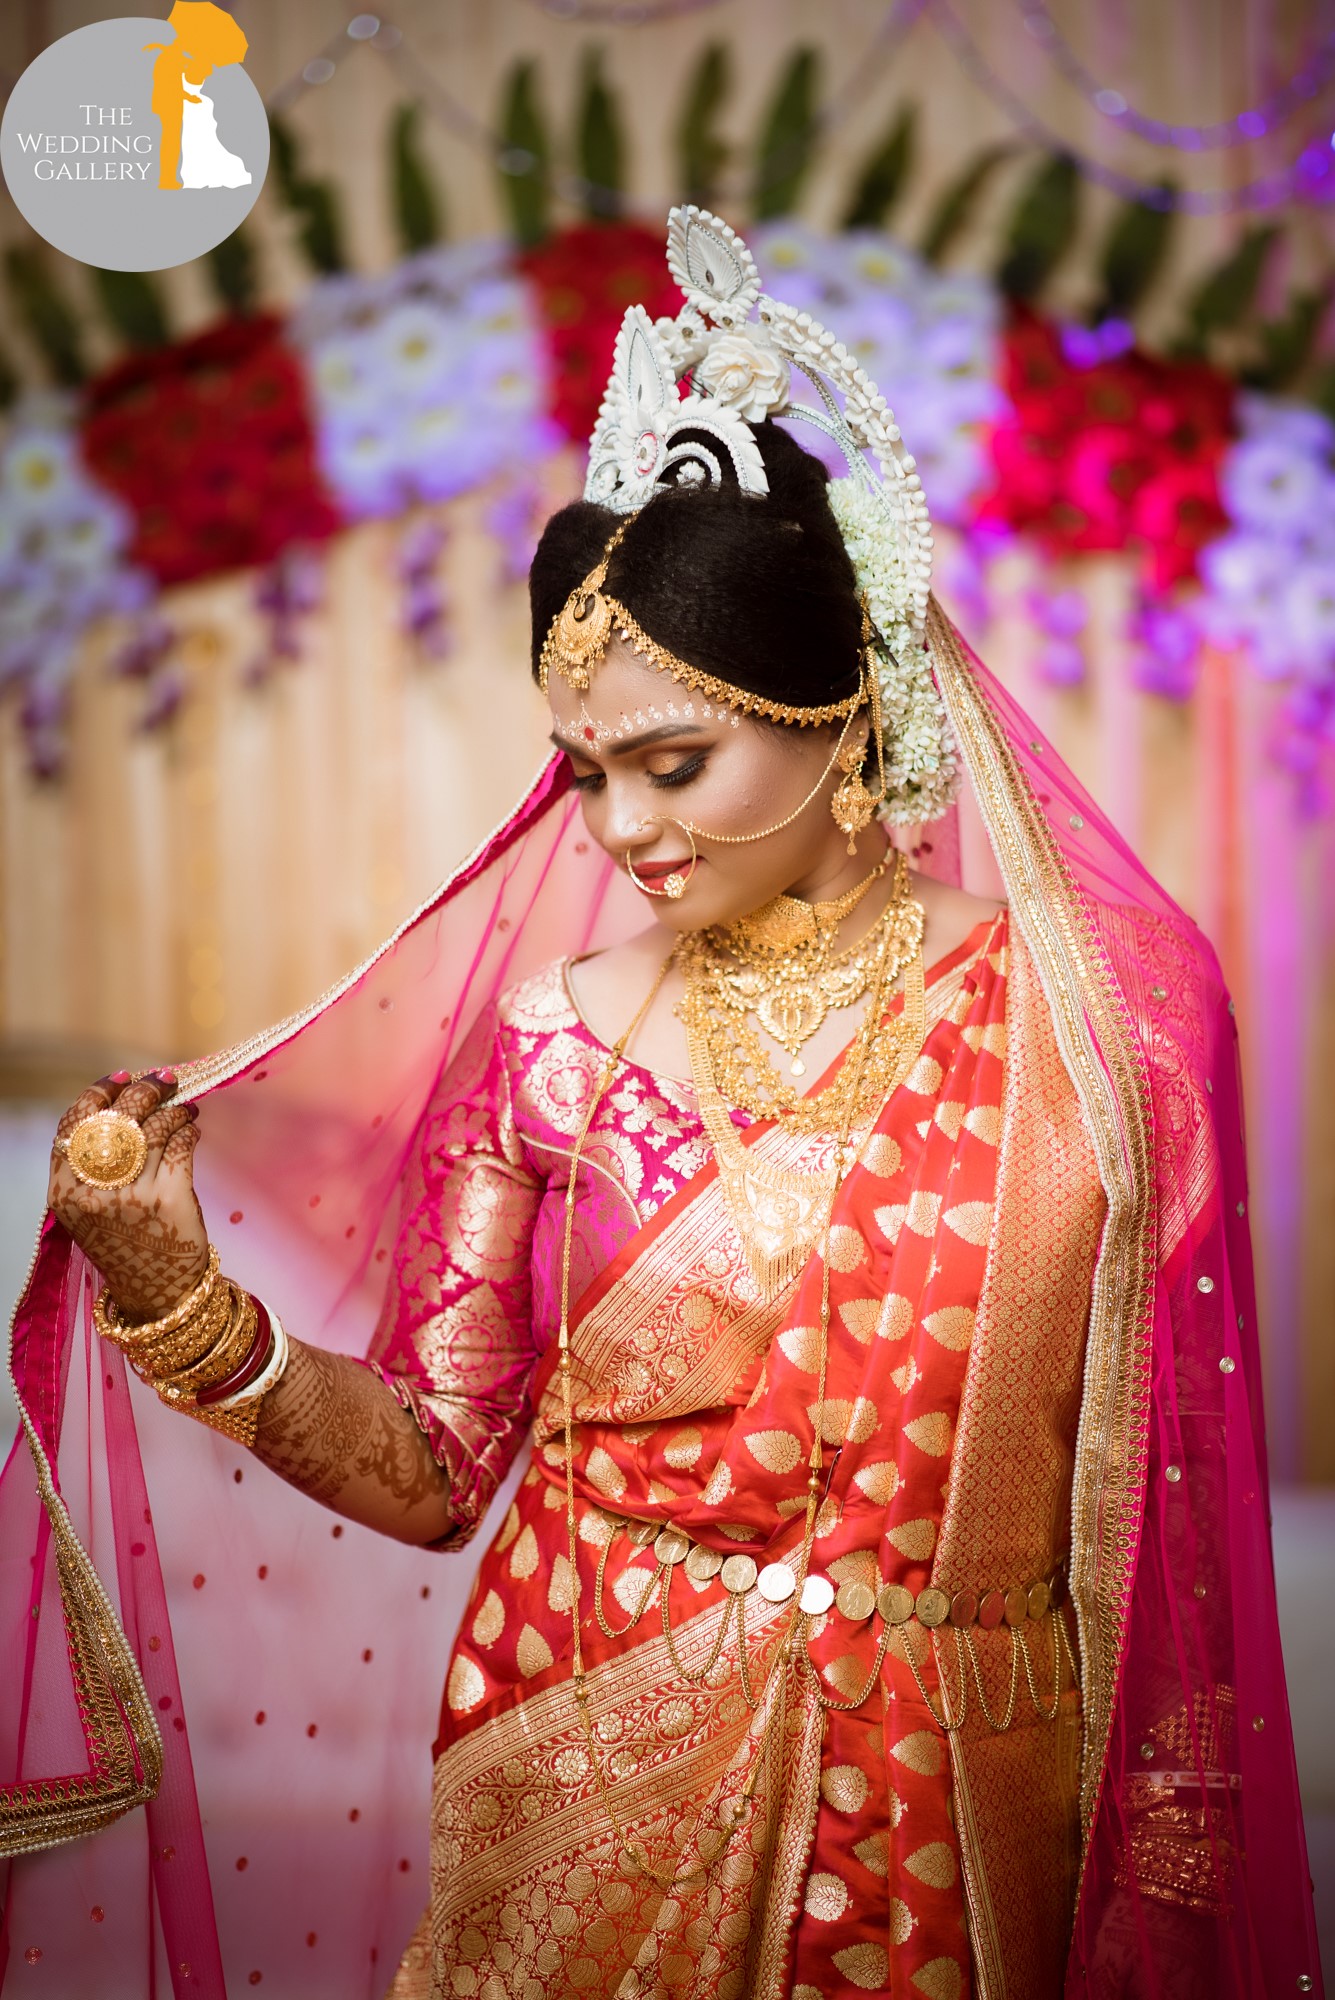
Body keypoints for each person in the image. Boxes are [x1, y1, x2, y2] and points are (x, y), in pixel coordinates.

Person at [2, 209, 1320, 2000]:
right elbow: (432, 1466)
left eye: (674, 761)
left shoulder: (1107, 1019)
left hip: (954, 1786)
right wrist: (179, 1299)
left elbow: (1155, 1511)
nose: (620, 829)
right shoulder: (554, 1043)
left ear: (845, 711)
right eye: (584, 772)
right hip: (581, 1748)